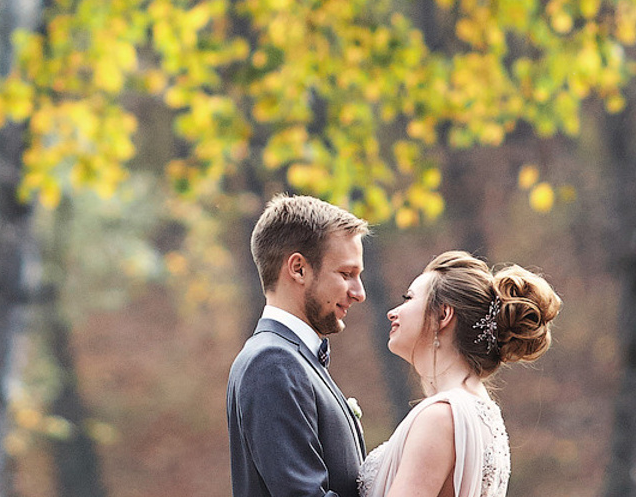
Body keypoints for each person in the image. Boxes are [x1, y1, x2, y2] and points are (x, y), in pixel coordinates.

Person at [360, 251, 563, 497]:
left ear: (443, 315)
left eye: (408, 298)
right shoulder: (481, 411)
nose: (393, 312)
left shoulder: (441, 417)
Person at [227, 194, 372, 497]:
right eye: (347, 274)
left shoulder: (292, 359)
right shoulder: (272, 363)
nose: (359, 293)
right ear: (298, 269)